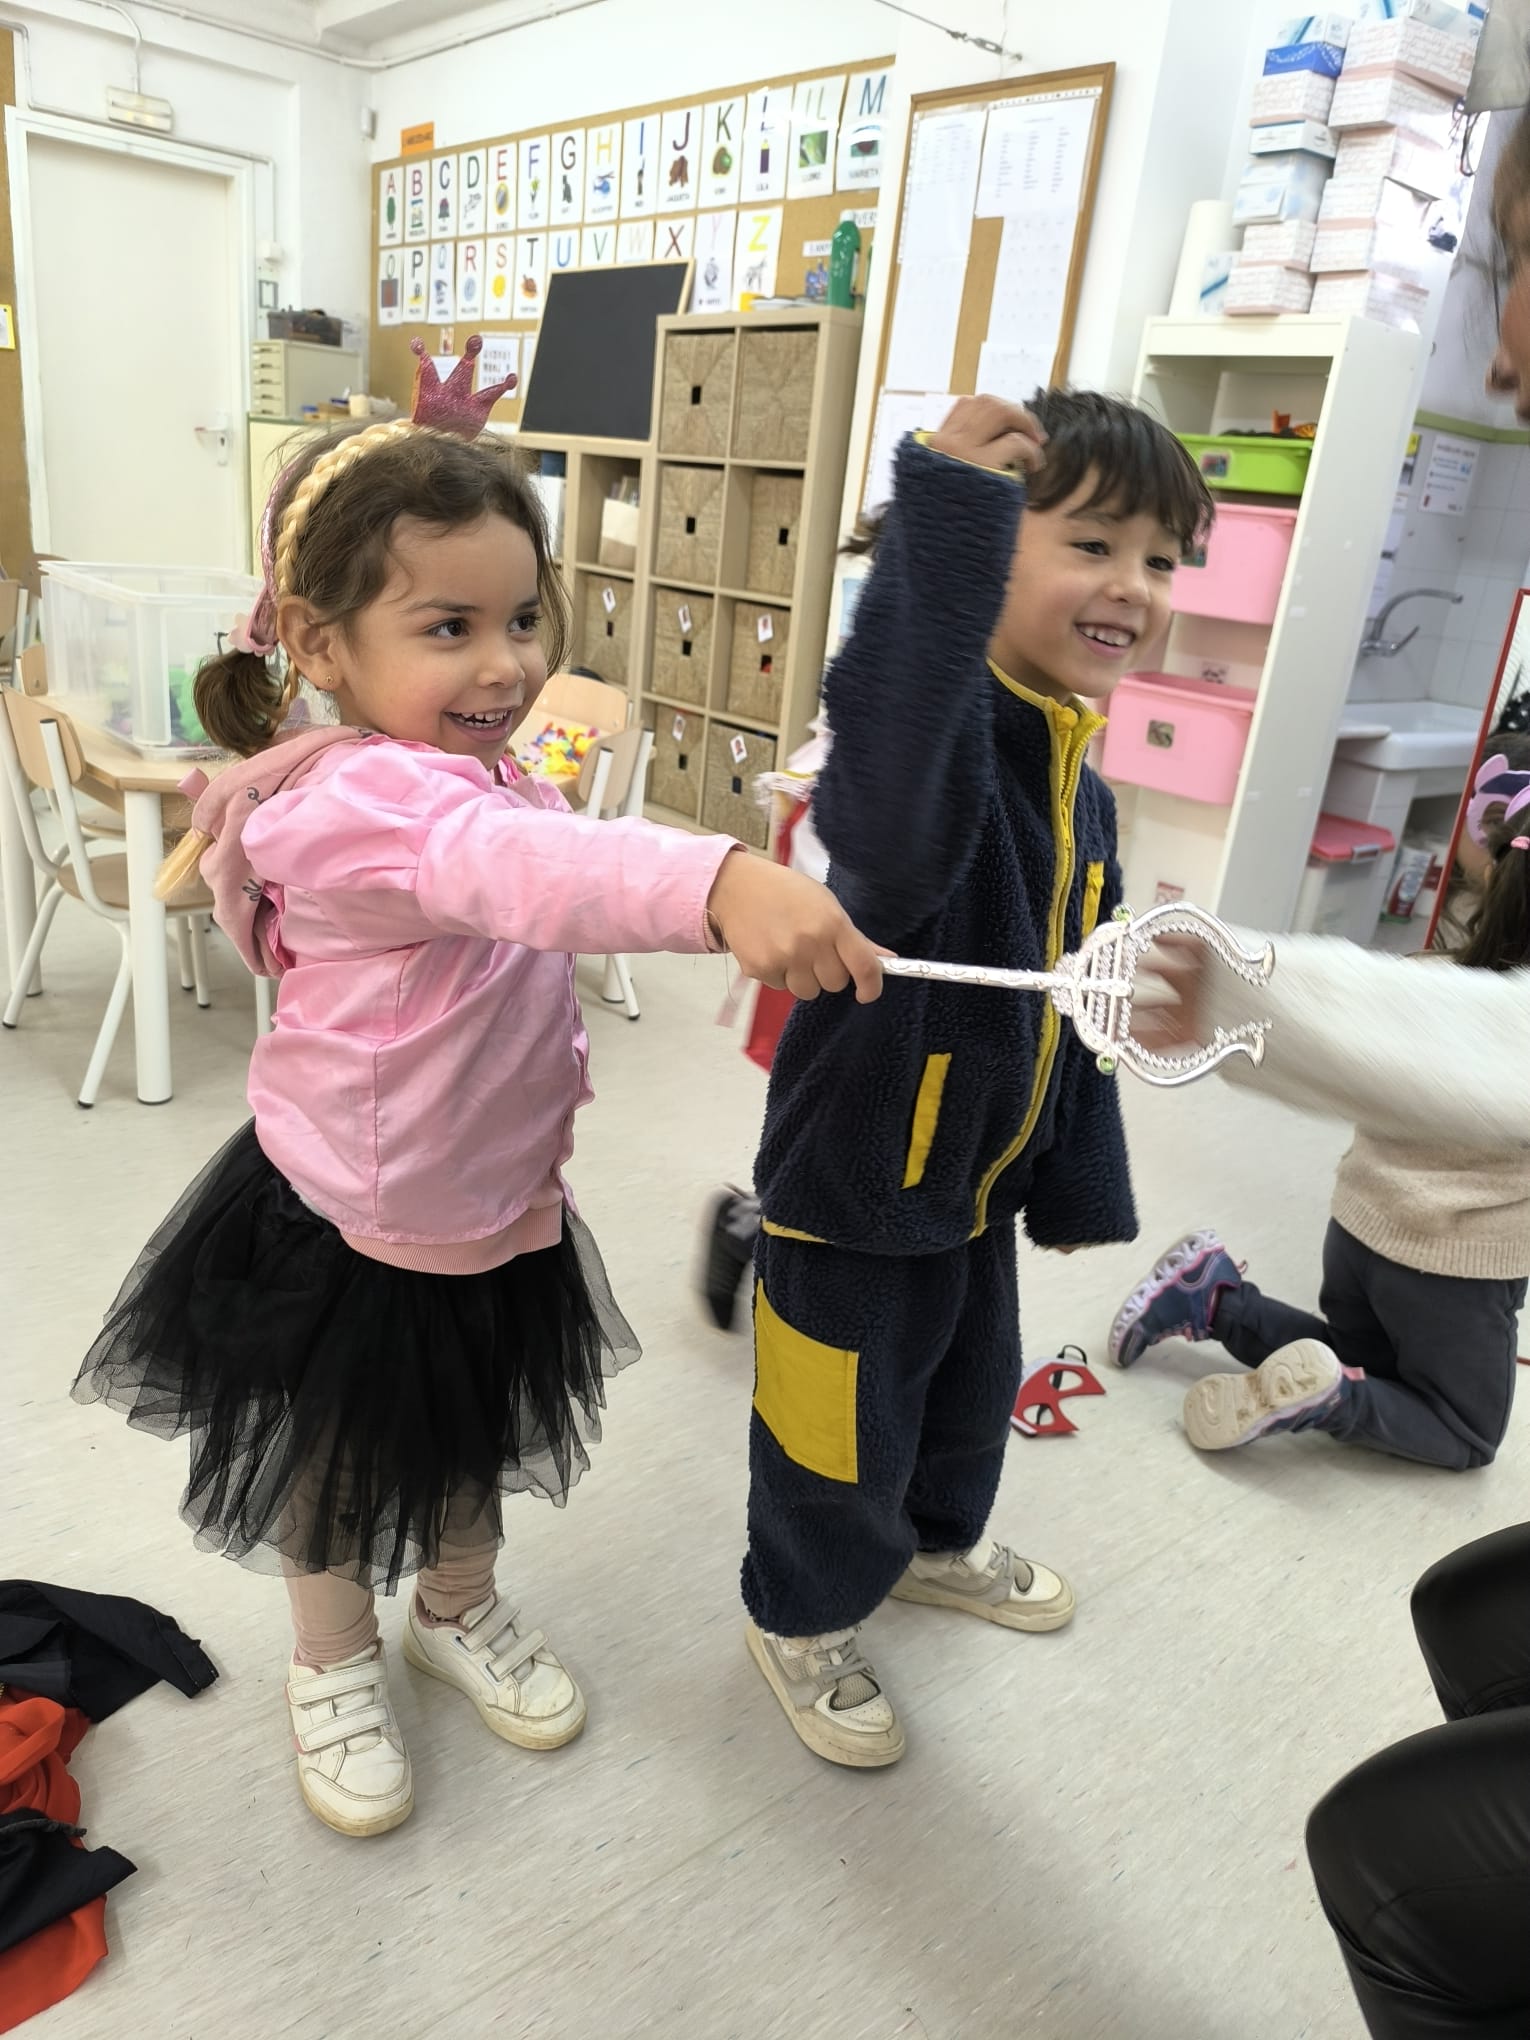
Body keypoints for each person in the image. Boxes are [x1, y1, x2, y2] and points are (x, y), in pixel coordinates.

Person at [71, 346, 884, 1839]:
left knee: (474, 1424)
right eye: (448, 627)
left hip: (494, 1195)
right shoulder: (359, 804)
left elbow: (529, 853)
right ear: (318, 642)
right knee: (336, 1458)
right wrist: (713, 878)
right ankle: (333, 1658)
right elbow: (521, 872)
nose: (505, 663)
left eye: (520, 619)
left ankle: (454, 1608)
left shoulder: (493, 776)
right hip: (361, 1212)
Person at [739, 390, 1215, 1767]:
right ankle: (799, 1613)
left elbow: (1071, 985)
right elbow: (887, 814)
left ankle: (934, 1544)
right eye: (1093, 544)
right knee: (833, 1425)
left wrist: (1078, 1162)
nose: (1133, 587)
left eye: (1161, 558)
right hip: (853, 1184)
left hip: (973, 1181)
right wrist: (941, 518)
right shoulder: (941, 742)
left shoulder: (1079, 775)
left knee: (963, 1392)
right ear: (986, 547)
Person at [1109, 753, 1530, 1466]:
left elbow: (1342, 1019)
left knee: (1356, 1354)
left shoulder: (1429, 980)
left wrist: (1228, 996)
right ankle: (1334, 1400)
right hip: (1454, 1268)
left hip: (1358, 1233)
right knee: (1465, 1431)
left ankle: (1214, 1300)